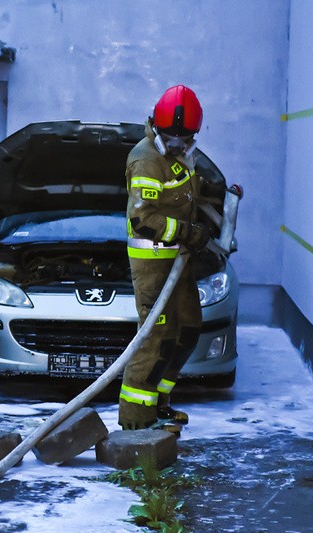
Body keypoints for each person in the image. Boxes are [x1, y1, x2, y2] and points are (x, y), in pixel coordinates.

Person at [119, 84, 212, 431]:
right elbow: (144, 220)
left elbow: (187, 195)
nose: (177, 145)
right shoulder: (145, 160)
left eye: (183, 139)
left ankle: (159, 402)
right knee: (153, 340)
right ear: (157, 128)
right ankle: (136, 423)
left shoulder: (181, 157)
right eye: (171, 138)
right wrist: (190, 233)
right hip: (154, 265)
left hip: (178, 261)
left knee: (187, 329)